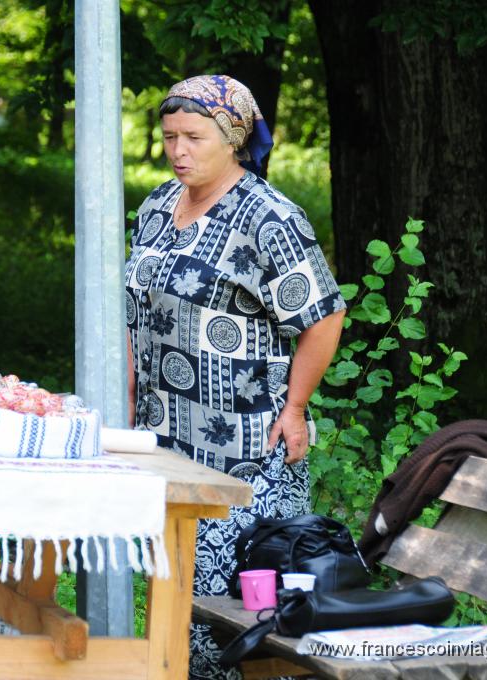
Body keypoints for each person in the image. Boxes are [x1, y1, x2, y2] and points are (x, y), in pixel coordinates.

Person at [124, 75, 346, 679]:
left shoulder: (268, 217)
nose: (177, 150)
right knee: (172, 598)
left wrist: (296, 407)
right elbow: (131, 315)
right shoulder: (153, 209)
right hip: (166, 441)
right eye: (169, 136)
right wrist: (127, 413)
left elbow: (323, 317)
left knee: (239, 618)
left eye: (193, 137)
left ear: (233, 139)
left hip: (245, 451)